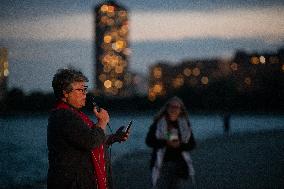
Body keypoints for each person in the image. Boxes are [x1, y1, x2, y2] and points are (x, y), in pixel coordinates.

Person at [47, 68, 129, 189]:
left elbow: (82, 140)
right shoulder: (64, 115)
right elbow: (90, 141)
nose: (85, 94)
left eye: (85, 90)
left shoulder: (73, 114)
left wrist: (111, 138)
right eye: (81, 90)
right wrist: (102, 121)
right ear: (65, 92)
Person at [146, 96, 196, 189]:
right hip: (161, 164)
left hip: (180, 165)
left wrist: (180, 145)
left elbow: (192, 144)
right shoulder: (158, 123)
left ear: (181, 109)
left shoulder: (185, 125)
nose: (174, 109)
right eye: (171, 106)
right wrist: (166, 143)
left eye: (177, 107)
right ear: (167, 108)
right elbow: (149, 141)